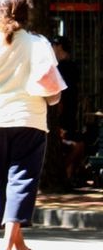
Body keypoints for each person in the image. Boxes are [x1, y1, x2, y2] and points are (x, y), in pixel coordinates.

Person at [0, 0, 65, 250]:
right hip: (29, 118)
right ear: (27, 14)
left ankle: (17, 242)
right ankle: (8, 244)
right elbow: (52, 88)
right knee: (22, 178)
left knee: (5, 180)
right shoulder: (39, 43)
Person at [50, 36, 86, 185]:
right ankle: (66, 175)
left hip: (64, 116)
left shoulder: (61, 68)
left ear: (59, 47)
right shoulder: (72, 67)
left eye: (53, 45)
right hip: (69, 114)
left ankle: (62, 174)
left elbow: (62, 94)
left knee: (76, 145)